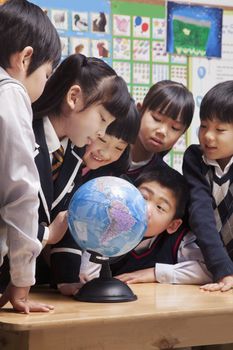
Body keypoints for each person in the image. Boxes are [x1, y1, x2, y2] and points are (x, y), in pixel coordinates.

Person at [30, 53, 132, 289]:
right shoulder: (22, 134)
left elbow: (65, 217)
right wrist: (46, 235)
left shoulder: (74, 152)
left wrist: (67, 281)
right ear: (73, 97)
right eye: (102, 119)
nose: (100, 133)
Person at [0, 0, 61, 313]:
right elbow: (22, 194)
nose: (45, 83)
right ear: (25, 58)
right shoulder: (10, 92)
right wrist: (22, 280)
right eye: (48, 74)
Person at [48, 99, 141, 296]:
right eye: (103, 140)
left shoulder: (107, 182)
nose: (106, 153)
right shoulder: (62, 159)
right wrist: (66, 278)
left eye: (119, 148)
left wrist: (69, 279)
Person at [80, 167, 212, 285]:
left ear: (173, 225)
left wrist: (155, 273)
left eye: (160, 207)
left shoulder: (179, 241)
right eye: (143, 197)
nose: (146, 209)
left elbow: (210, 270)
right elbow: (85, 280)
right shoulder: (105, 223)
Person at [182, 80, 233, 292]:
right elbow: (200, 213)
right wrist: (223, 269)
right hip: (205, 260)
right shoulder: (195, 158)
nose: (208, 136)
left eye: (220, 129)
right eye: (204, 125)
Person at [126, 80, 194, 182]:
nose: (162, 132)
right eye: (156, 118)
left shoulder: (167, 182)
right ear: (139, 110)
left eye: (175, 128)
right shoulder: (102, 153)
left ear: (182, 133)